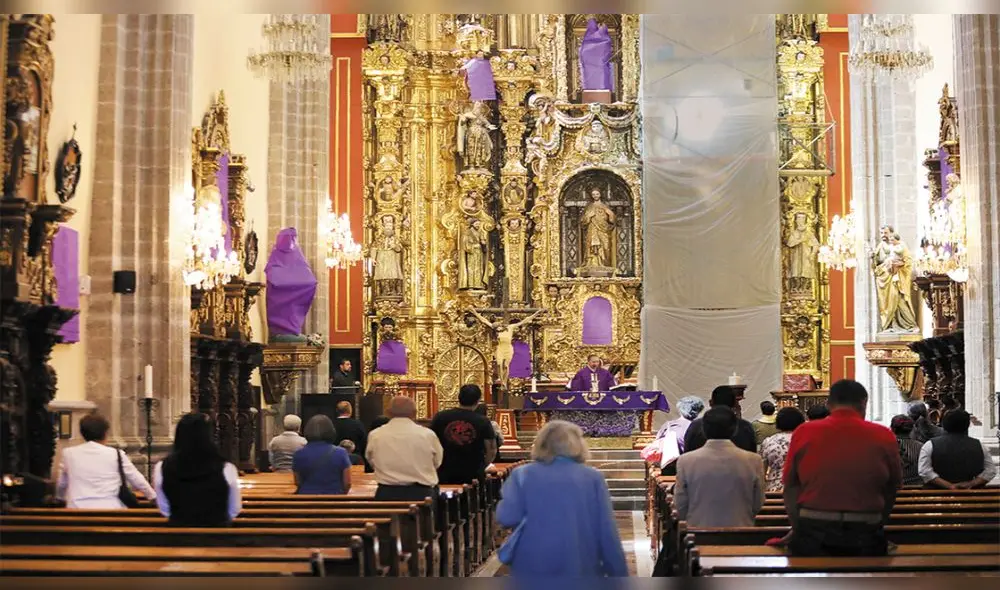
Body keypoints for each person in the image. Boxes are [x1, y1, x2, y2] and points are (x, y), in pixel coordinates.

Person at [781, 379, 902, 556]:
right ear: (864, 403)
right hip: (865, 529)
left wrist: (798, 528)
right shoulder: (883, 434)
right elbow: (892, 486)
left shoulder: (804, 431)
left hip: (814, 527)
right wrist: (878, 524)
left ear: (829, 404)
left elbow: (790, 485)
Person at [496, 420, 628, 577]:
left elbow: (506, 517)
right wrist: (618, 572)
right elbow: (606, 529)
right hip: (580, 559)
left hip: (531, 560)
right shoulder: (592, 477)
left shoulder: (522, 474)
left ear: (541, 444)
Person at [674, 407, 765, 527]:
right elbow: (758, 502)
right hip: (742, 530)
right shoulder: (753, 460)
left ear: (704, 429)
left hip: (698, 531)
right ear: (734, 429)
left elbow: (680, 504)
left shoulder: (686, 460)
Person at [154, 413, 242, 526]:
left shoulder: (161, 467)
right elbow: (234, 508)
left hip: (178, 536)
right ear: (208, 437)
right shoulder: (226, 468)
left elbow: (164, 509)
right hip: (218, 537)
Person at [56, 413, 156, 508]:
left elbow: (62, 483)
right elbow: (136, 478)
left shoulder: (69, 453)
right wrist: (152, 496)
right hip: (110, 507)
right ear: (105, 433)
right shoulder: (116, 454)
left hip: (76, 508)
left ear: (83, 433)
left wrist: (59, 498)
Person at [366, 396, 443, 501]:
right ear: (415, 413)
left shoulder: (375, 435)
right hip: (422, 494)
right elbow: (437, 461)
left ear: (388, 412)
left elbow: (371, 460)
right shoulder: (427, 435)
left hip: (387, 493)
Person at [430, 385, 497, 485]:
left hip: (444, 470)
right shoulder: (483, 421)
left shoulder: (440, 417)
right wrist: (483, 465)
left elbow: (430, 443)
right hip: (473, 472)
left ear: (459, 397)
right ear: (478, 400)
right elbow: (491, 449)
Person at [918, 410, 997, 489]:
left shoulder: (930, 445)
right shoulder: (979, 445)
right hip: (969, 494)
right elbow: (990, 470)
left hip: (937, 493)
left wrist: (949, 485)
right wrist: (971, 483)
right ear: (967, 425)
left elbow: (924, 471)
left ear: (944, 424)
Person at [683, 386, 756, 454]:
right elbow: (752, 455)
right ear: (735, 403)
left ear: (711, 402)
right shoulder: (745, 427)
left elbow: (687, 451)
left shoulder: (696, 426)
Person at [292, 415, 353, 495]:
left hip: (307, 499)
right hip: (334, 499)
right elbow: (347, 483)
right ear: (331, 431)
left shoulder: (298, 454)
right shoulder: (341, 453)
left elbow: (298, 482)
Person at [759, 406, 806, 493]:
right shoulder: (805, 439)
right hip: (800, 489)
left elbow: (761, 471)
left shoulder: (769, 441)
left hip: (774, 489)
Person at [655, 396, 704, 476]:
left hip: (670, 466)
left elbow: (657, 446)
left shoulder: (669, 426)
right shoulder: (701, 426)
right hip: (694, 467)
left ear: (680, 409)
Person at [889, 415, 924, 486]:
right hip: (917, 489)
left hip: (893, 489)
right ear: (911, 429)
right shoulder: (921, 446)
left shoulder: (886, 446)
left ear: (893, 429)